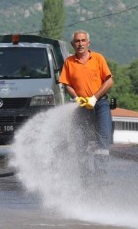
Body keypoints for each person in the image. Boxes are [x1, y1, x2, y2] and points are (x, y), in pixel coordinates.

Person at [58, 30, 114, 175]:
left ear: (88, 43)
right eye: (77, 41)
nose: (80, 44)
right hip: (81, 106)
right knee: (80, 140)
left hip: (100, 104)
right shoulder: (69, 62)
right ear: (72, 44)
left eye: (83, 40)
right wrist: (77, 98)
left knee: (103, 138)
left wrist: (94, 98)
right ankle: (84, 174)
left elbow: (109, 81)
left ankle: (100, 175)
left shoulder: (98, 58)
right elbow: (66, 84)